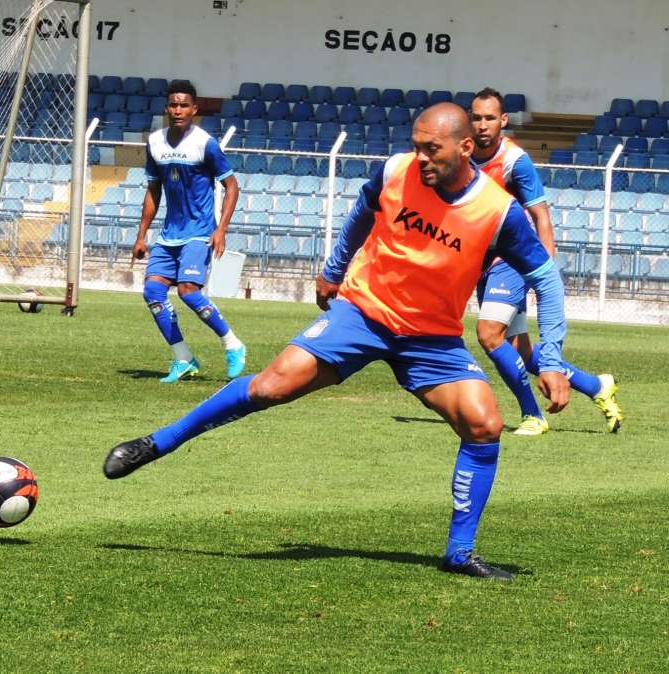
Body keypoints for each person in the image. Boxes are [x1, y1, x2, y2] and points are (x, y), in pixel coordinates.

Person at [104, 103, 572, 582]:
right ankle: (155, 444)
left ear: (465, 147)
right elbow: (362, 214)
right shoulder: (396, 170)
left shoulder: (498, 212)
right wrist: (333, 270)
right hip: (363, 313)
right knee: (271, 386)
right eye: (417, 146)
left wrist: (551, 357)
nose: (422, 158)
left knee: (484, 423)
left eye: (432, 149)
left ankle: (459, 552)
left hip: (432, 338)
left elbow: (546, 279)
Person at [470, 87, 623, 434]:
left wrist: (544, 269)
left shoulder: (514, 161)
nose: (482, 125)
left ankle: (532, 416)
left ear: (503, 121)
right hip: (482, 261)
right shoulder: (463, 155)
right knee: (518, 352)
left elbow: (541, 216)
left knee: (488, 333)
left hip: (512, 260)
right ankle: (597, 386)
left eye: (489, 118)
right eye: (476, 117)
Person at [132, 79, 246, 383]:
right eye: (173, 104)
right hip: (169, 234)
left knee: (188, 292)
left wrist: (221, 229)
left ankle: (233, 344)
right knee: (153, 292)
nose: (178, 110)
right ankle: (183, 358)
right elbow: (153, 190)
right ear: (167, 108)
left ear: (194, 109)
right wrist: (142, 235)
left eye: (184, 105)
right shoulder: (155, 142)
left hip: (199, 232)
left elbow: (231, 185)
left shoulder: (205, 143)